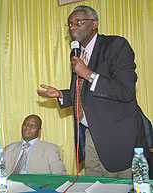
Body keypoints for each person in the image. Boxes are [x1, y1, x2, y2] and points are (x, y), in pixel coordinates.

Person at [37, 5, 149, 178]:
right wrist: (61, 95)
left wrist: (88, 73)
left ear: (95, 23)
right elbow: (85, 93)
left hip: (119, 138)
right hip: (90, 136)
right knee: (92, 186)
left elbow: (126, 92)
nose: (73, 27)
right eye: (70, 24)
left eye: (78, 21)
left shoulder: (116, 45)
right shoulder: (75, 54)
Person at [0, 114, 67, 175]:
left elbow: (60, 176)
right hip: (9, 187)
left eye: (33, 126)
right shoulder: (8, 149)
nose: (27, 127)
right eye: (25, 124)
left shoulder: (50, 149)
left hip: (36, 187)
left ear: (39, 131)